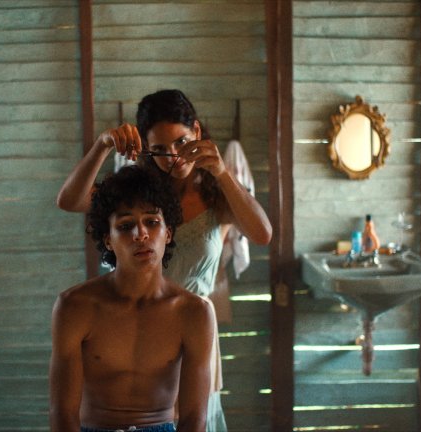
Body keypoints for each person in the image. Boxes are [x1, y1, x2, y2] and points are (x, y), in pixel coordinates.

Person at [56, 89, 272, 431]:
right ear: (146, 148)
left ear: (197, 132)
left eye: (181, 142)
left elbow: (262, 234)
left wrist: (221, 172)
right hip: (136, 326)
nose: (173, 156)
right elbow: (70, 200)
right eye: (159, 149)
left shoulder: (217, 194)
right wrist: (102, 145)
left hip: (192, 325)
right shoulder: (141, 196)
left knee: (193, 420)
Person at [50, 166, 215, 432]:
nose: (141, 234)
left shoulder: (194, 312)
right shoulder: (74, 306)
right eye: (126, 226)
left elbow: (194, 418)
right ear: (108, 240)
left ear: (169, 233)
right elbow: (62, 414)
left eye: (152, 222)